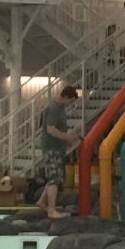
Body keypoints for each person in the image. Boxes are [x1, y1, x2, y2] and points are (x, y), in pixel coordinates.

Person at [36, 85, 81, 220]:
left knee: (54, 177)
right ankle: (52, 210)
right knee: (55, 178)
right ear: (66, 97)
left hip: (57, 147)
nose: (71, 104)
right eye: (71, 101)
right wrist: (67, 137)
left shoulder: (59, 108)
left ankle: (42, 202)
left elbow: (57, 129)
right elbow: (50, 129)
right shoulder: (54, 108)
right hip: (52, 148)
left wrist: (66, 138)